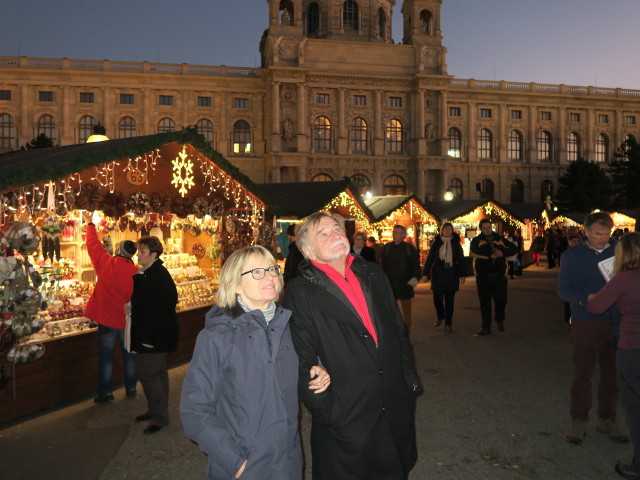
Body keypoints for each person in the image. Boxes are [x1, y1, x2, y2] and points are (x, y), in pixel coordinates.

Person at [283, 212, 423, 480]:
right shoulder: (300, 293)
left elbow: (397, 330)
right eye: (323, 234)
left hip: (393, 407)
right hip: (346, 418)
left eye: (337, 229)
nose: (335, 234)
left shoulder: (373, 272)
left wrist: (408, 380)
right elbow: (301, 361)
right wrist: (328, 412)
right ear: (308, 250)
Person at [180, 246, 330, 480]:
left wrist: (317, 368)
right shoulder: (216, 337)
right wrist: (236, 463)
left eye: (271, 269)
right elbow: (195, 411)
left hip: (288, 462)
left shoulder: (289, 326)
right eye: (257, 272)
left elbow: (301, 369)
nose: (270, 276)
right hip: (243, 466)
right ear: (236, 284)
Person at [558, 212, 627, 445]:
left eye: (607, 233)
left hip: (617, 320)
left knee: (612, 373)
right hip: (586, 319)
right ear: (585, 231)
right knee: (583, 373)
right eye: (598, 234)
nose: (603, 238)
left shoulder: (618, 250)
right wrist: (586, 299)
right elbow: (563, 290)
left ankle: (607, 418)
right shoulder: (573, 255)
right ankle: (578, 420)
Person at [587, 233, 640, 478]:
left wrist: (590, 298)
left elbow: (597, 306)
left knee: (635, 406)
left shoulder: (624, 279)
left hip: (632, 348)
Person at [82, 211, 138, 403]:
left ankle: (106, 393)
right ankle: (131, 388)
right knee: (129, 356)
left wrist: (90, 224)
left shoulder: (106, 264)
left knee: (106, 358)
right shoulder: (137, 273)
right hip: (127, 322)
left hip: (106, 321)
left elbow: (93, 246)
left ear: (117, 250)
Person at [129, 236, 179, 435]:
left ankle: (160, 417)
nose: (138, 255)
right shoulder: (150, 272)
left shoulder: (156, 275)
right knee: (158, 373)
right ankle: (157, 410)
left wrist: (149, 340)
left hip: (154, 336)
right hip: (156, 335)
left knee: (148, 374)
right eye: (138, 251)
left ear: (153, 255)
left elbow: (159, 311)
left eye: (142, 252)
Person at [469, 219, 518, 336]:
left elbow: (514, 249)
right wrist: (489, 255)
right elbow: (473, 252)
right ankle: (485, 326)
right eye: (485, 228)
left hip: (499, 276)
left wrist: (502, 253)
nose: (487, 230)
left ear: (492, 227)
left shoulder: (499, 239)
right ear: (481, 229)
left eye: (489, 227)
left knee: (501, 300)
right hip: (483, 277)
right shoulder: (477, 240)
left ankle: (499, 318)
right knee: (485, 303)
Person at [421, 222, 466, 332]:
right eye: (445, 228)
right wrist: (425, 273)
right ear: (441, 230)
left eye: (449, 229)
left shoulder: (456, 243)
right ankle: (440, 316)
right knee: (437, 299)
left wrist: (462, 274)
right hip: (438, 273)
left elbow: (461, 259)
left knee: (450, 300)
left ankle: (448, 323)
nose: (447, 230)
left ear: (452, 231)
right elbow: (430, 258)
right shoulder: (436, 243)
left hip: (451, 273)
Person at [381, 225, 422, 335]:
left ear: (404, 235)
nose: (395, 234)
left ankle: (406, 332)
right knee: (391, 310)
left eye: (398, 232)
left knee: (406, 311)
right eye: (394, 232)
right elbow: (382, 265)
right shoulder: (387, 247)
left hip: (405, 284)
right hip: (390, 284)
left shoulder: (409, 248)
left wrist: (415, 277)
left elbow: (416, 266)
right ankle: (393, 332)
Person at [563, 234, 581, 328]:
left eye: (577, 241)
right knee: (568, 302)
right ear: (569, 243)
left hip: (578, 281)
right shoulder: (567, 254)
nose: (576, 243)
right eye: (574, 241)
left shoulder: (581, 252)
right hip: (570, 281)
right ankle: (568, 320)